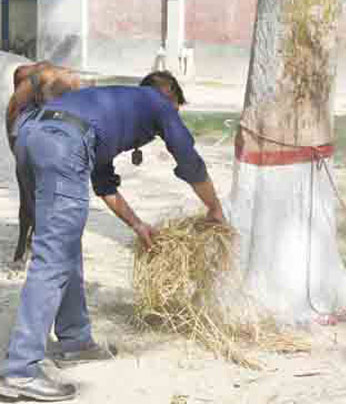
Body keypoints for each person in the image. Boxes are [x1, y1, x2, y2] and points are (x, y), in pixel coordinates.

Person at [0, 71, 225, 401]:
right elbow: (189, 160)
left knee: (63, 244)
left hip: (32, 135)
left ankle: (75, 340)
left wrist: (137, 225)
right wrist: (214, 208)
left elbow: (104, 184)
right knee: (53, 257)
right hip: (63, 143)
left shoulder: (109, 107)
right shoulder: (158, 102)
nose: (172, 118)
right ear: (169, 96)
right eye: (176, 109)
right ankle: (20, 371)